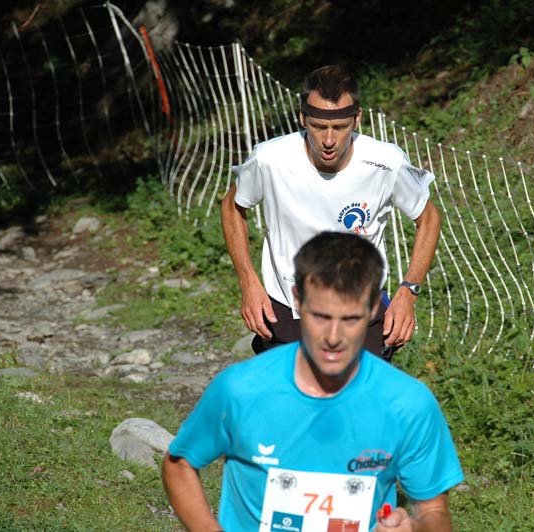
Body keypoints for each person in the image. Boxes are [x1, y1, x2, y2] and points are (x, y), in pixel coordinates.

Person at [162, 231, 463, 532]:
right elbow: (179, 464)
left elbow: (434, 510)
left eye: (350, 319)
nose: (333, 337)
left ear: (374, 308)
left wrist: (412, 529)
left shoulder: (407, 404)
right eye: (320, 316)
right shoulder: (241, 389)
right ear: (297, 299)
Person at [220, 65, 442, 359]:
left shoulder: (385, 162)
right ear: (302, 118)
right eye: (318, 126)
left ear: (357, 119)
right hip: (286, 311)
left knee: (359, 391)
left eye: (339, 127)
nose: (328, 140)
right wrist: (248, 281)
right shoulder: (269, 159)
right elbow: (232, 206)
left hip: (360, 311)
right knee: (289, 391)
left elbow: (429, 218)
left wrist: (408, 291)